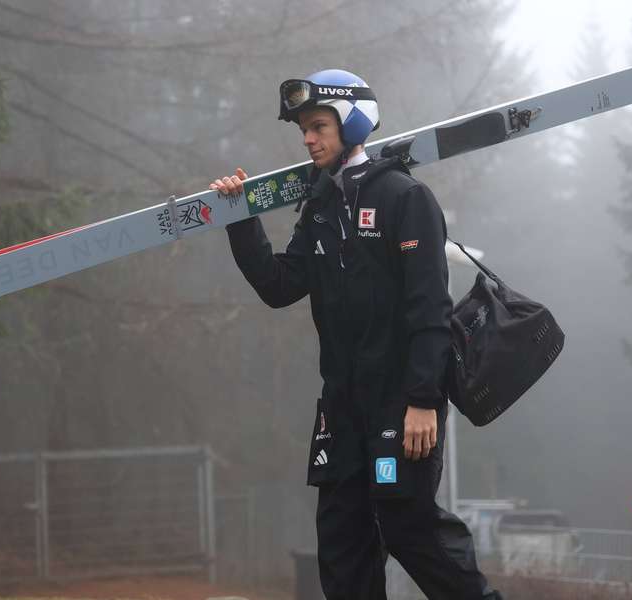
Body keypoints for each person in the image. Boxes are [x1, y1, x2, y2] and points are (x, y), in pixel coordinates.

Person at [210, 69, 501, 600]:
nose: (308, 139)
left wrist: (421, 401)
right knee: (342, 547)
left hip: (400, 407)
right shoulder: (319, 208)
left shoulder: (404, 198)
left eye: (318, 125)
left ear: (353, 123)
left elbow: (429, 310)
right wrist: (240, 217)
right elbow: (279, 286)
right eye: (303, 130)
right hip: (341, 410)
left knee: (410, 529)